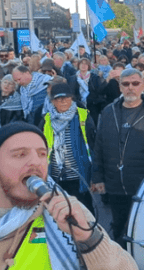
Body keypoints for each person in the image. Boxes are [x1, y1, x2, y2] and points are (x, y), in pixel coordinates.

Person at [0, 122, 138, 269]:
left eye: (42, 155)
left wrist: (89, 240)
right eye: (20, 155)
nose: (36, 163)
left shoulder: (69, 213)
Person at [91, 68, 144, 248]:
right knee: (119, 227)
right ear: (119, 86)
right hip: (115, 184)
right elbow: (99, 146)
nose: (130, 88)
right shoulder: (107, 111)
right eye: (126, 84)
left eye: (135, 83)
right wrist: (97, 177)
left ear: (143, 85)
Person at [39, 83, 97, 214]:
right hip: (55, 176)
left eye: (66, 97)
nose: (63, 101)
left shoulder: (84, 116)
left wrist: (95, 176)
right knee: (61, 213)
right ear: (52, 101)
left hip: (79, 175)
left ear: (72, 98)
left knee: (85, 212)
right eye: (58, 99)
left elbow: (94, 146)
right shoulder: (46, 119)